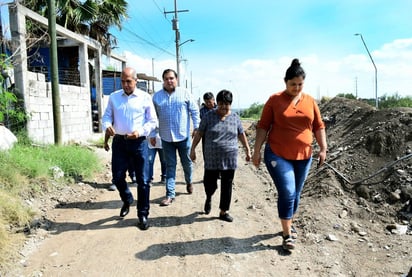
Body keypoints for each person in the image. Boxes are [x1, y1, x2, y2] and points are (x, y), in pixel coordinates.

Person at [252, 58, 327, 251]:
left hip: (304, 155)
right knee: (287, 191)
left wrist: (323, 148)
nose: (296, 87)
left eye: (300, 84)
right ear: (285, 82)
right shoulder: (275, 100)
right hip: (278, 153)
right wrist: (257, 151)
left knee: (296, 194)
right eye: (293, 84)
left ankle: (288, 223)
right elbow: (263, 126)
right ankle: (287, 235)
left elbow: (319, 126)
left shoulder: (310, 101)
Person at [102, 67, 157, 230]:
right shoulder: (114, 97)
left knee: (143, 180)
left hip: (139, 142)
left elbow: (153, 121)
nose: (126, 85)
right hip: (119, 142)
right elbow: (106, 116)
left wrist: (140, 132)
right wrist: (107, 126)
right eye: (123, 81)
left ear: (135, 81)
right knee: (118, 177)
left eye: (129, 81)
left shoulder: (145, 98)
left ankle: (143, 214)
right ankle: (127, 198)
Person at [190, 89, 251, 222]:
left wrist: (247, 149)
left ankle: (223, 211)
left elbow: (241, 134)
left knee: (227, 185)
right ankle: (209, 197)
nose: (224, 106)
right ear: (216, 103)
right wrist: (193, 149)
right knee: (209, 184)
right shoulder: (208, 116)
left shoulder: (235, 118)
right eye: (221, 103)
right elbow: (199, 133)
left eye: (227, 104)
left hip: (230, 159)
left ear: (231, 104)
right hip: (212, 159)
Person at [152, 69, 200, 206]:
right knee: (170, 166)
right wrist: (153, 133)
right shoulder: (156, 97)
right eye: (166, 78)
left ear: (176, 79)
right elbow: (153, 117)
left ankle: (189, 181)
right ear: (163, 80)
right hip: (166, 138)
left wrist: (197, 127)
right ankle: (170, 194)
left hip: (183, 137)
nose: (169, 81)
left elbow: (195, 111)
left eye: (172, 78)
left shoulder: (185, 94)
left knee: (187, 164)